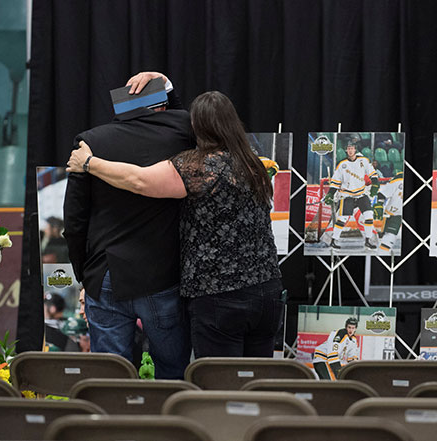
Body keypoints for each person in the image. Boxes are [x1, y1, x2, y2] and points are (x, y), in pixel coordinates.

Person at [67, 86, 284, 359]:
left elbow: (139, 180)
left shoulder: (197, 167)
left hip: (219, 296)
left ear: (195, 127)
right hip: (267, 291)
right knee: (256, 381)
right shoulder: (254, 164)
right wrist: (165, 86)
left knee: (219, 386)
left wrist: (89, 162)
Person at [63, 72, 195, 379]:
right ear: (162, 106)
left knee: (110, 378)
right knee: (173, 371)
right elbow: (180, 114)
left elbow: (74, 219)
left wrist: (85, 273)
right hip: (163, 275)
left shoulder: (91, 142)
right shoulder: (182, 131)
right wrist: (165, 84)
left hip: (106, 273)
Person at [323, 138, 380, 250]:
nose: (350, 150)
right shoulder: (342, 165)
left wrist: (375, 185)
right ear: (346, 150)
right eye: (348, 149)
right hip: (347, 196)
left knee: (368, 217)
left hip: (361, 195)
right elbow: (335, 183)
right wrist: (330, 194)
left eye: (352, 148)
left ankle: (368, 240)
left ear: (355, 150)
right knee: (342, 219)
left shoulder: (363, 161)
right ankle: (333, 240)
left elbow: (373, 175)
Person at [377, 171, 403, 253]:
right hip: (395, 214)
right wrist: (379, 205)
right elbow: (382, 194)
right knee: (389, 238)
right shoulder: (398, 180)